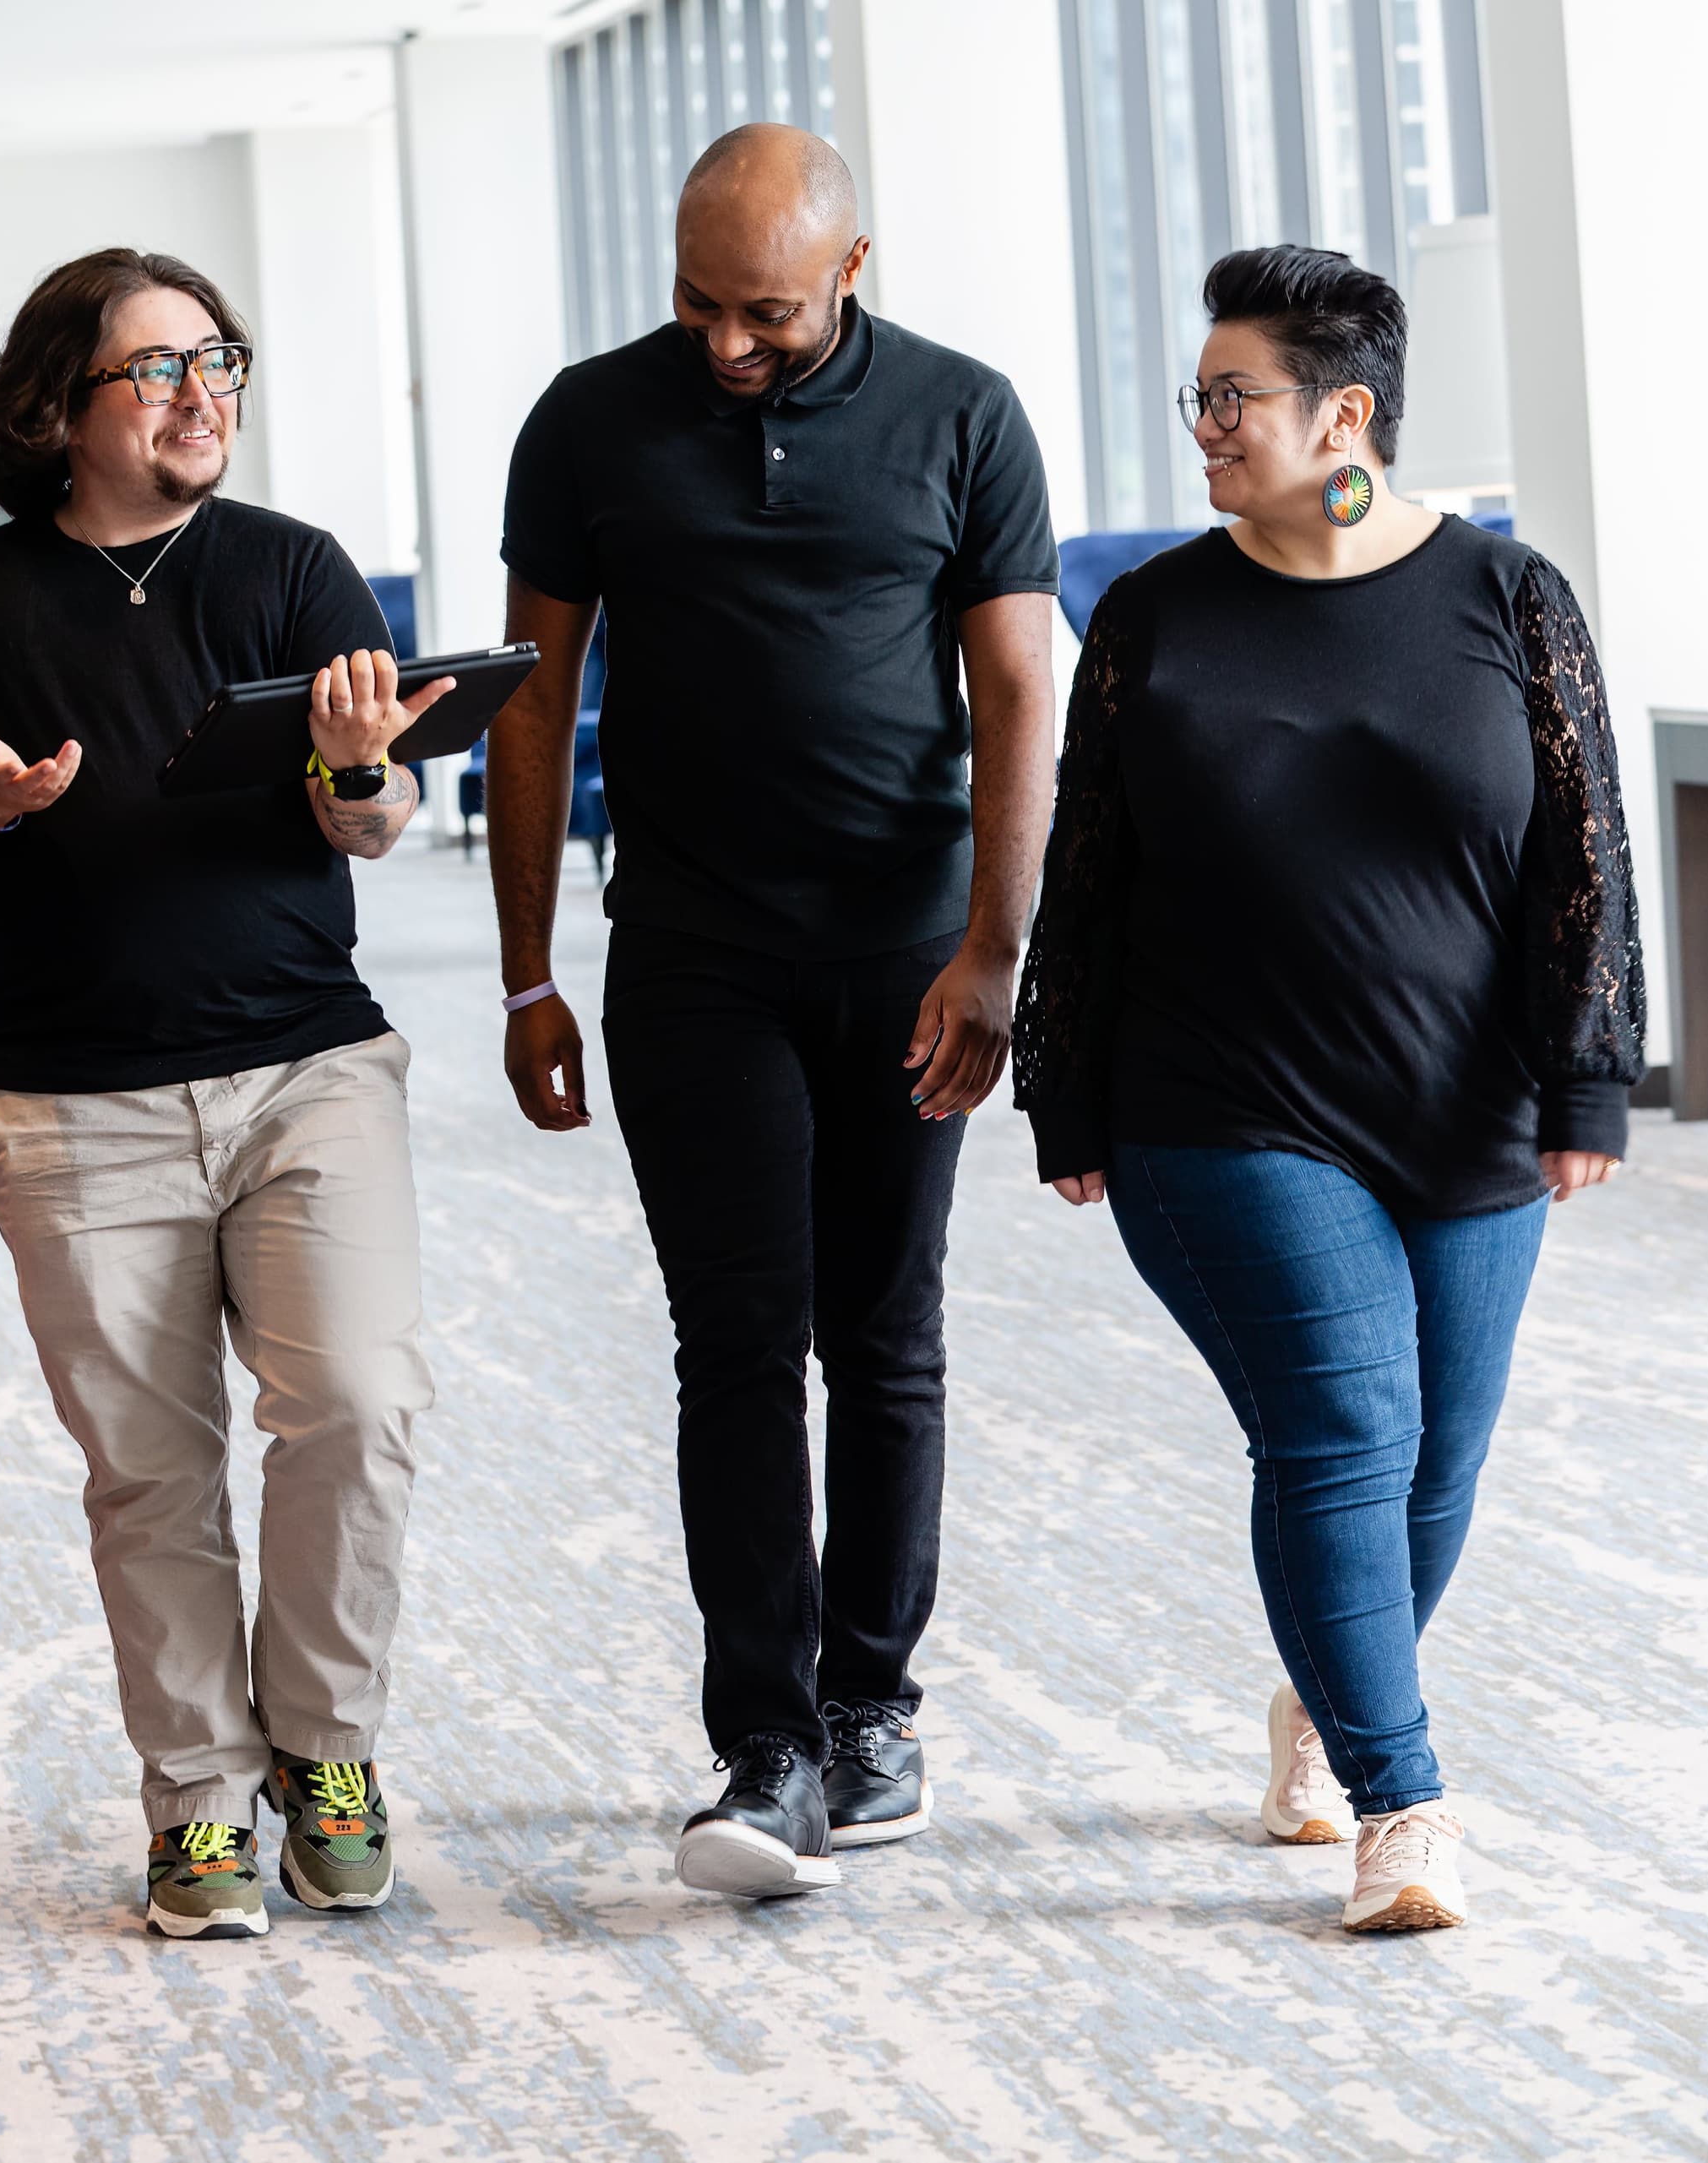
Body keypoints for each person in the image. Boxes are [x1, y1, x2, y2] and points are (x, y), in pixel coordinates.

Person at [1011, 243, 1645, 1934]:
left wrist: (1589, 1073)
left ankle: (1322, 1695)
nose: (1201, 428)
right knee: (1342, 1431)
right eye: (1197, 397)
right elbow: (1090, 869)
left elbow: (1585, 844)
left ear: (1344, 414)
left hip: (1468, 1111)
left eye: (1233, 399)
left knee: (1437, 1463)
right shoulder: (1152, 615)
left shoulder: (1508, 597)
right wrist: (1059, 1087)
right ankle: (1404, 1800)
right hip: (1222, 1107)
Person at [0, 248, 438, 1943]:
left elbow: (373, 821)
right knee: (149, 1473)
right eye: (161, 369)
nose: (204, 394)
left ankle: (327, 1753)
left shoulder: (295, 571)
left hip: (308, 1069)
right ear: (58, 407)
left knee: (364, 1406)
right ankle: (195, 1798)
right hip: (69, 1103)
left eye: (220, 360)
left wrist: (356, 766)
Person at [494, 124, 1059, 1899]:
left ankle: (874, 1702)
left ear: (852, 274)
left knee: (884, 1334)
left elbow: (1019, 691)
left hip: (905, 952)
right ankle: (767, 1741)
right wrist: (524, 970)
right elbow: (531, 707)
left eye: (769, 316)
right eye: (697, 304)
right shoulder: (589, 420)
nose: (727, 346)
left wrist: (995, 951)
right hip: (690, 951)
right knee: (735, 1340)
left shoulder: (966, 418)